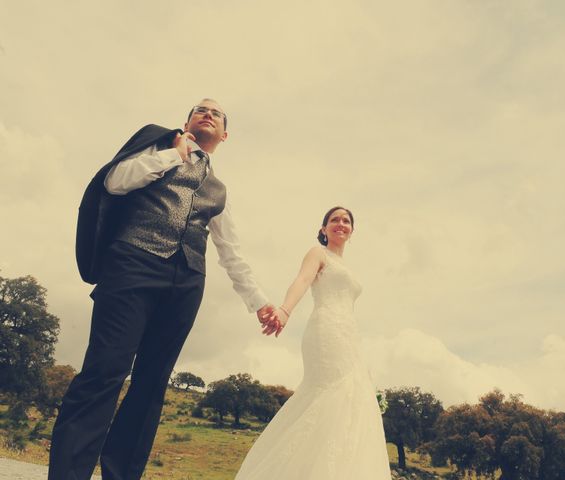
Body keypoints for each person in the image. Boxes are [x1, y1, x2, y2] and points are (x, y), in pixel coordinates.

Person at [49, 99, 277, 480]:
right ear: (187, 121)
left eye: (216, 113)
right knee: (105, 370)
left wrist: (259, 303)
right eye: (200, 109)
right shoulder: (157, 151)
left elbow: (231, 254)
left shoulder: (220, 191)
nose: (207, 113)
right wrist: (174, 154)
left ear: (225, 134)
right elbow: (114, 181)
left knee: (152, 384)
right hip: (132, 265)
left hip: (186, 283)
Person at [239, 206, 392, 480]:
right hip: (326, 330)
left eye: (346, 221)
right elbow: (302, 280)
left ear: (352, 231)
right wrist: (284, 311)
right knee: (331, 394)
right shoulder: (318, 253)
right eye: (334, 220)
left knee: (353, 401)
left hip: (350, 336)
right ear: (323, 229)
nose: (341, 224)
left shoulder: (347, 266)